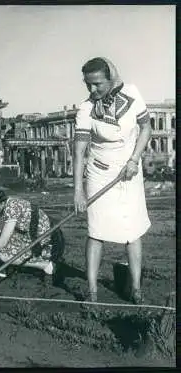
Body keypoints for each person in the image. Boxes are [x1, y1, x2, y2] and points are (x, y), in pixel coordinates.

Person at [73, 57, 152, 305]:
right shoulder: (85, 109)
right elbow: (79, 152)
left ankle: (136, 289)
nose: (92, 90)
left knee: (132, 229)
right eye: (88, 85)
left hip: (130, 171)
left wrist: (134, 160)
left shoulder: (132, 93)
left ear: (111, 78)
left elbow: (146, 127)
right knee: (97, 231)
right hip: (100, 174)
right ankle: (93, 291)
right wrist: (78, 191)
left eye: (97, 84)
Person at [0, 185, 65, 276]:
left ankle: (45, 265)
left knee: (3, 255)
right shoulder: (10, 202)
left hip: (48, 240)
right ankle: (5, 268)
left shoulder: (11, 209)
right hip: (36, 234)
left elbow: (2, 242)